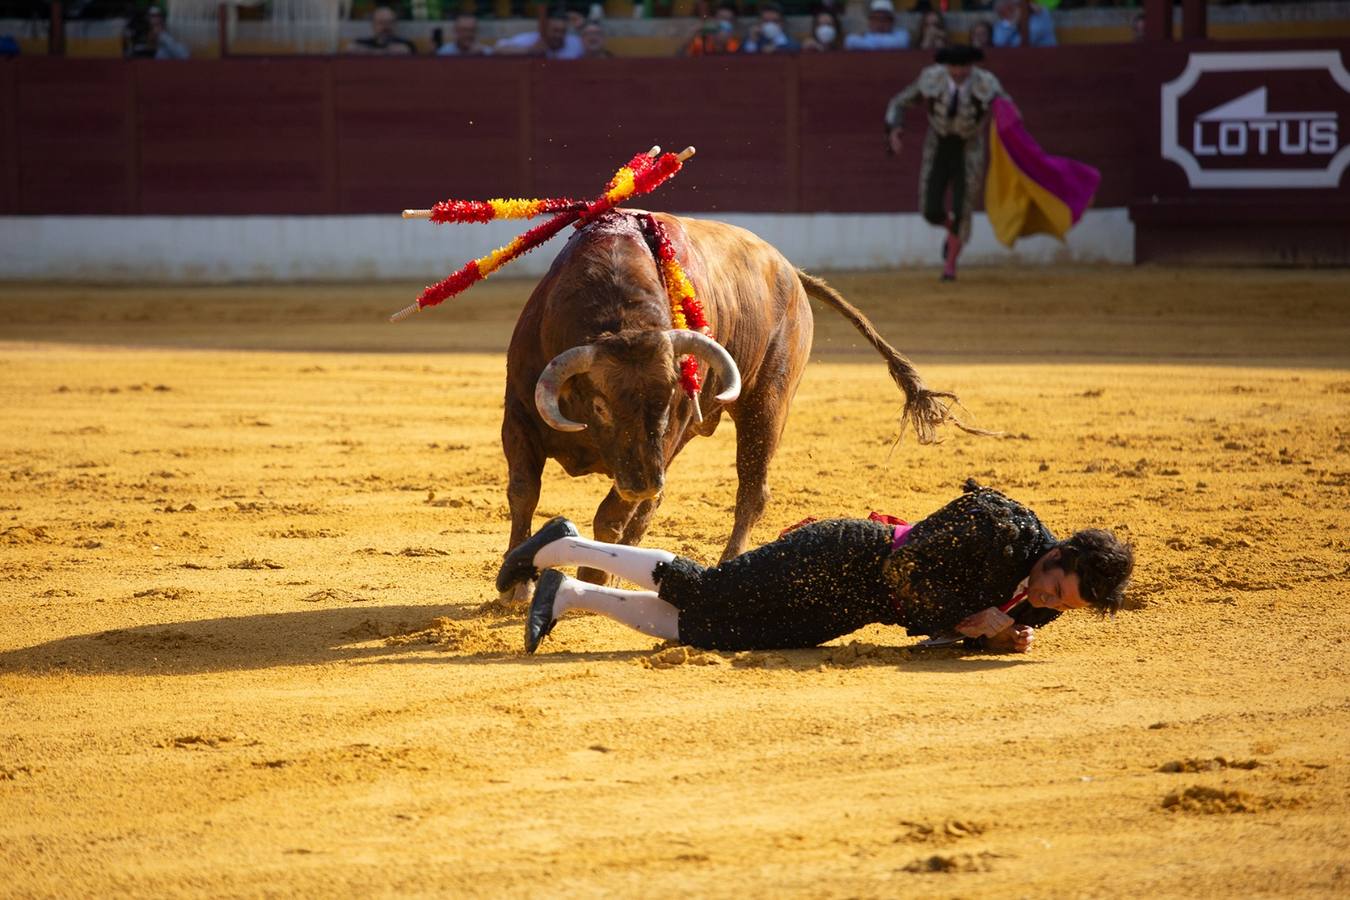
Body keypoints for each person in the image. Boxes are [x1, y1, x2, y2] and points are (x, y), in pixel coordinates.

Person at [500, 479, 1133, 656]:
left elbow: (968, 630)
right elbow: (906, 567)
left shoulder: (1045, 602)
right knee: (712, 590)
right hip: (841, 557)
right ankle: (566, 543)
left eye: (1059, 607)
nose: (1047, 604)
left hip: (847, 609)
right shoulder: (998, 523)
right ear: (1057, 553)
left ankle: (567, 595)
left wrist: (1001, 640)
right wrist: (977, 622)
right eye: (1053, 589)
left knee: (718, 633)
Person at [885, 43, 1006, 281]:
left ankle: (950, 266)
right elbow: (900, 102)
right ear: (945, 65)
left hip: (970, 147)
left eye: (964, 67)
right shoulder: (932, 78)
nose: (959, 72)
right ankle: (953, 230)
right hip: (938, 144)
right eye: (954, 66)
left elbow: (1007, 110)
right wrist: (895, 129)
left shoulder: (986, 83)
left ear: (972, 65)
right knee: (930, 209)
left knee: (963, 207)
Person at [495, 9, 583, 59]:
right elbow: (498, 49)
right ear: (545, 29)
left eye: (563, 31)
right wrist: (530, 50)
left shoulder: (574, 42)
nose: (559, 35)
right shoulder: (530, 39)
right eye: (555, 31)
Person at [346, 5, 417, 55]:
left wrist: (367, 52)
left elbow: (406, 51)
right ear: (373, 25)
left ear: (395, 24)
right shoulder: (361, 42)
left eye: (390, 22)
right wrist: (385, 52)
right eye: (381, 23)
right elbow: (351, 48)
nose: (386, 27)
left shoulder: (406, 44)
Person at [844, 0, 910, 52]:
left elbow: (900, 43)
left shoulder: (901, 35)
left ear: (892, 22)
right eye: (876, 19)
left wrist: (867, 42)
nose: (880, 23)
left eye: (884, 19)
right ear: (870, 21)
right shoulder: (862, 36)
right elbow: (850, 41)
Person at [991, 0, 1057, 48]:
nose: (1008, 12)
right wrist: (1012, 24)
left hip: (1046, 57)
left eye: (1012, 7)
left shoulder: (1040, 13)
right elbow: (999, 42)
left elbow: (1030, 37)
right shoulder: (1005, 22)